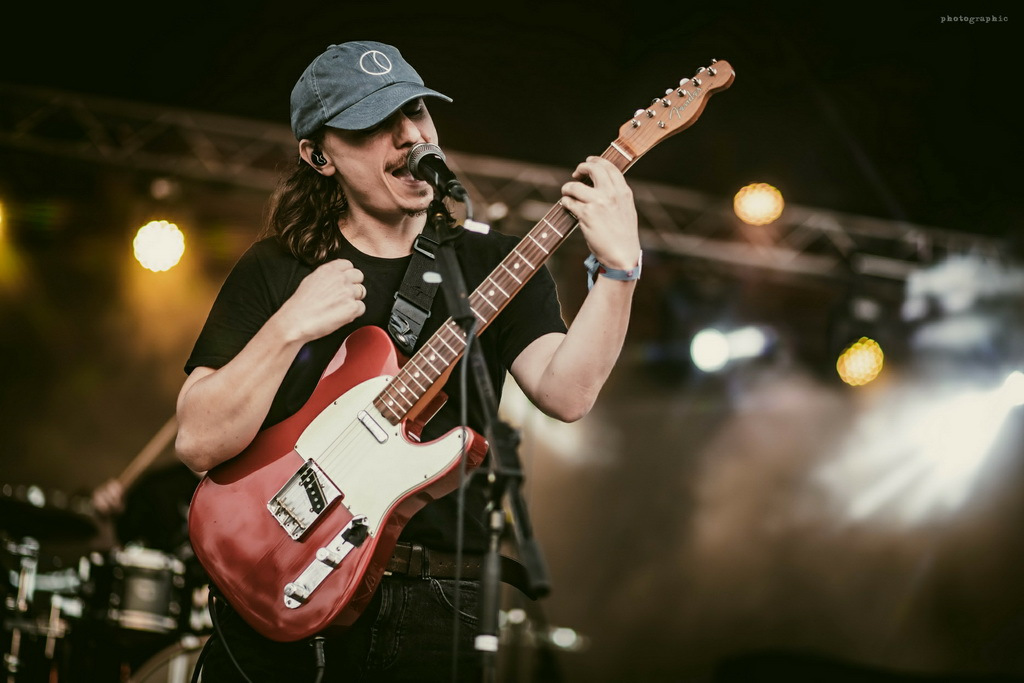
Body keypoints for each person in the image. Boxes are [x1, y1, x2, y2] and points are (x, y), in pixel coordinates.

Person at [173, 40, 640, 682]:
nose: (410, 137)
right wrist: (288, 326)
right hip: (283, 574)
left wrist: (620, 269)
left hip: (436, 600)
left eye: (417, 112)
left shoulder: (496, 264)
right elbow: (198, 442)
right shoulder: (278, 266)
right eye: (374, 124)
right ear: (319, 155)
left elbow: (568, 394)